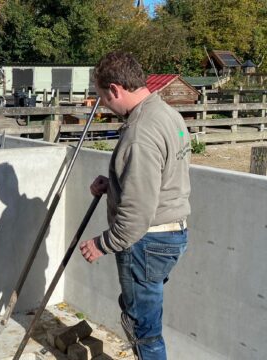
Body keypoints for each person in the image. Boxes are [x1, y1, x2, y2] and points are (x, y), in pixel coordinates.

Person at [78, 51, 191, 360]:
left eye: (103, 97)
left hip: (147, 242)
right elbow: (161, 175)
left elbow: (137, 213)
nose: (104, 105)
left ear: (115, 89)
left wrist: (102, 244)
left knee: (145, 331)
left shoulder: (141, 133)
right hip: (171, 235)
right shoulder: (169, 116)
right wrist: (115, 182)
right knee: (136, 313)